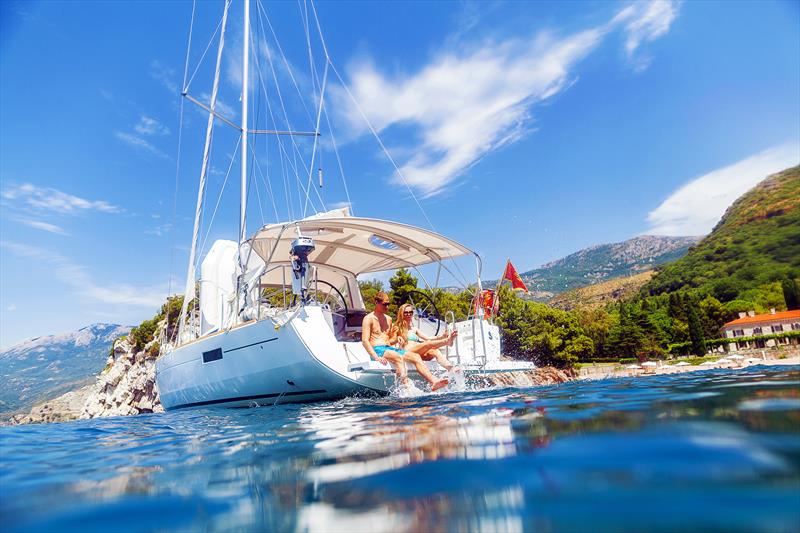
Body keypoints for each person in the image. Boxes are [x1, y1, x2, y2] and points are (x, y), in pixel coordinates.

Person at [361, 292, 451, 392]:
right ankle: (406, 387)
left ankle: (434, 382)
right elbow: (365, 341)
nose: (387, 306)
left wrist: (397, 338)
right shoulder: (368, 319)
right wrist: (376, 356)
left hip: (389, 349)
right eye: (384, 304)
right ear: (376, 303)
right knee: (398, 357)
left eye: (388, 304)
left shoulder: (389, 319)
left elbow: (390, 340)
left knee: (415, 356)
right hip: (377, 349)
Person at [393, 303, 460, 373]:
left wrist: (442, 336)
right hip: (406, 352)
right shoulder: (397, 327)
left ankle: (450, 368)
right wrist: (398, 338)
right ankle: (447, 342)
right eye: (406, 312)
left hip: (417, 353)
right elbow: (391, 340)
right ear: (401, 313)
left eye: (410, 312)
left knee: (435, 351)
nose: (409, 314)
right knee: (427, 344)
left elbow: (428, 338)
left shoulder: (414, 329)